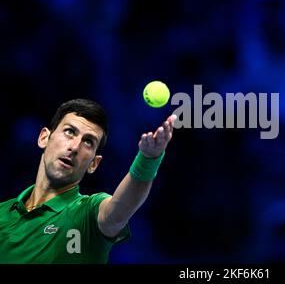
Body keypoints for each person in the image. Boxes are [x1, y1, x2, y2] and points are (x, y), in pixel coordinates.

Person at [0, 98, 176, 263]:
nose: (75, 147)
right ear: (44, 138)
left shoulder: (87, 213)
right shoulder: (2, 213)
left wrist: (148, 160)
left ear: (94, 163)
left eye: (88, 142)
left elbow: (117, 212)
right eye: (69, 132)